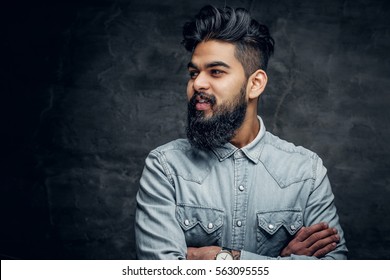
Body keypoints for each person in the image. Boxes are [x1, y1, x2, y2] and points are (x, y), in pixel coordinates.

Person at [135, 5, 348, 260]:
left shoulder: (306, 172)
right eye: (194, 73)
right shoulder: (165, 167)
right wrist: (283, 263)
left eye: (215, 72)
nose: (198, 83)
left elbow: (336, 268)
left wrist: (222, 257)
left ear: (255, 84)